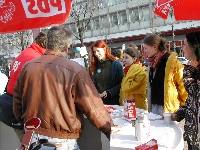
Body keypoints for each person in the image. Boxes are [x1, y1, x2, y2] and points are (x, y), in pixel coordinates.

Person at [13, 25, 113, 149]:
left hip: (33, 136)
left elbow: (17, 103)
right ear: (67, 46)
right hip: (62, 141)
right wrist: (110, 130)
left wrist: (26, 123)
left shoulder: (27, 67)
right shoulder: (75, 70)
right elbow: (93, 107)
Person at [0, 31, 47, 142]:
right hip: (26, 111)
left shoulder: (25, 53)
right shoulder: (35, 59)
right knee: (33, 144)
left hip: (14, 106)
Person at [143, 34, 188, 115]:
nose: (145, 51)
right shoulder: (152, 63)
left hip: (168, 109)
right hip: (154, 107)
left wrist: (183, 108)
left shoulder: (172, 63)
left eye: (146, 48)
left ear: (154, 47)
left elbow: (182, 86)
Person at [171, 31, 200, 150]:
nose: (182, 47)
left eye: (184, 44)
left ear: (194, 46)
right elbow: (191, 101)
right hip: (192, 134)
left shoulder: (194, 70)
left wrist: (189, 73)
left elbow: (196, 94)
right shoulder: (195, 69)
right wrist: (178, 114)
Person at [89, 40, 124, 105]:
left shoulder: (116, 65)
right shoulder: (93, 66)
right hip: (98, 101)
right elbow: (90, 83)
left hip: (113, 101)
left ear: (105, 49)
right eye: (94, 52)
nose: (96, 54)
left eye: (98, 51)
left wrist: (109, 92)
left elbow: (122, 83)